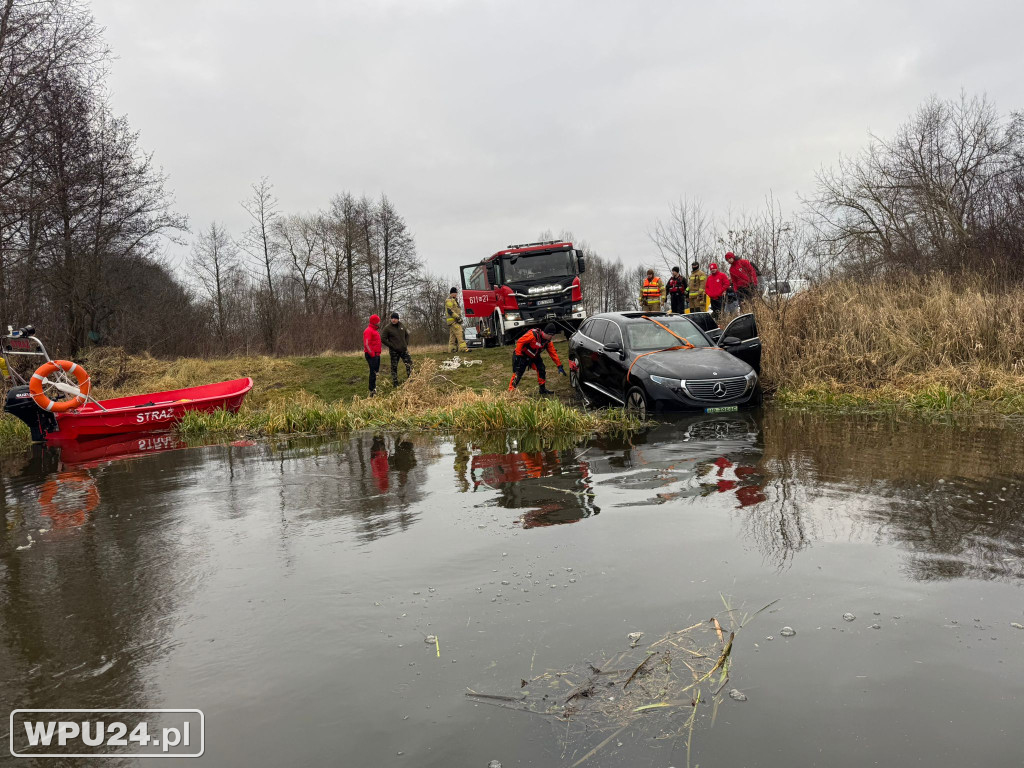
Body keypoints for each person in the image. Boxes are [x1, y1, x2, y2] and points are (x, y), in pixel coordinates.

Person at [508, 323, 566, 394]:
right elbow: (520, 342)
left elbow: (553, 353)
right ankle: (511, 391)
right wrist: (518, 355)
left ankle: (542, 389)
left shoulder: (548, 343)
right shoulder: (533, 335)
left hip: (534, 356)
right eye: (552, 335)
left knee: (541, 368)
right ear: (548, 333)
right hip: (522, 355)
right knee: (518, 372)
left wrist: (559, 365)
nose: (552, 337)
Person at [380, 311, 413, 387]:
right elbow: (383, 339)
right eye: (392, 318)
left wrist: (405, 343)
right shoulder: (387, 328)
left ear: (398, 319)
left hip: (404, 350)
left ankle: (411, 380)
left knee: (409, 365)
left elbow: (407, 334)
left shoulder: (402, 325)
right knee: (394, 367)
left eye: (395, 318)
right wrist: (392, 346)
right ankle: (395, 383)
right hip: (394, 351)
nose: (393, 320)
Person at [445, 287, 469, 353]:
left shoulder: (454, 300)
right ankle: (463, 348)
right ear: (452, 293)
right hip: (453, 321)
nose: (456, 294)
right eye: (455, 293)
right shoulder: (449, 300)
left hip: (453, 321)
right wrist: (458, 318)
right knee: (459, 332)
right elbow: (450, 310)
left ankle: (452, 349)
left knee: (452, 336)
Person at [363, 314, 382, 396]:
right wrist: (372, 354)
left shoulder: (375, 331)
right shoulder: (368, 331)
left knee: (375, 372)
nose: (379, 322)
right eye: (378, 321)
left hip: (376, 354)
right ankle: (372, 390)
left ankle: (374, 387)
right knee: (373, 372)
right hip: (371, 355)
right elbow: (367, 344)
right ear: (375, 322)